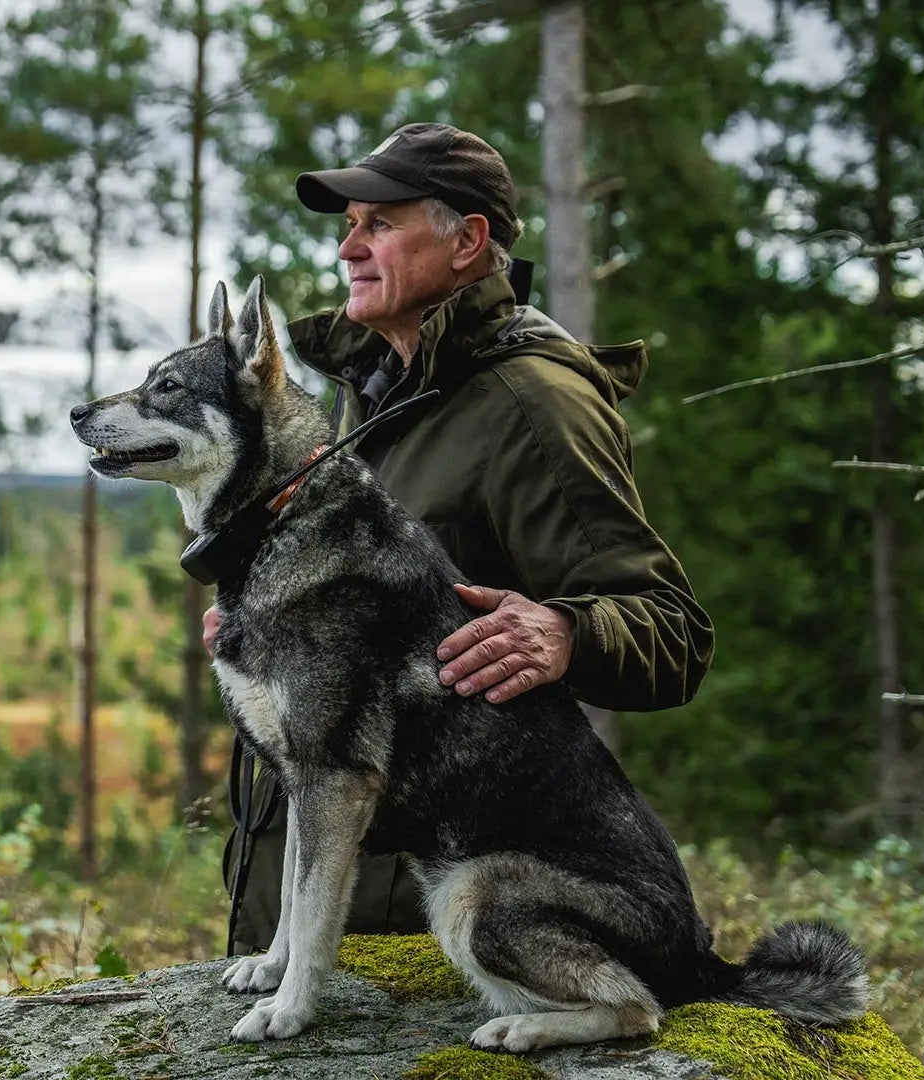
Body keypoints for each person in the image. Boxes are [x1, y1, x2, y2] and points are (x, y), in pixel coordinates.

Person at [217, 122, 715, 956]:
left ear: (467, 240)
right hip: (312, 908)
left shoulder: (533, 402)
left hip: (446, 919)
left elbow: (673, 631)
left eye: (379, 224)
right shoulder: (370, 391)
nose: (348, 248)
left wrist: (565, 632)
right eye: (348, 225)